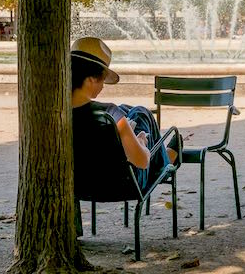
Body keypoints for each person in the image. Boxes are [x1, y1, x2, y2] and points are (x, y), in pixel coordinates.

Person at [71, 37, 180, 191]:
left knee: (126, 109)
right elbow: (141, 162)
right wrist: (141, 143)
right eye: (102, 79)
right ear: (90, 79)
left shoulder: (58, 112)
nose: (103, 85)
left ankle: (163, 159)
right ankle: (164, 163)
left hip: (82, 185)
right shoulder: (110, 113)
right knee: (141, 113)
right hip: (124, 184)